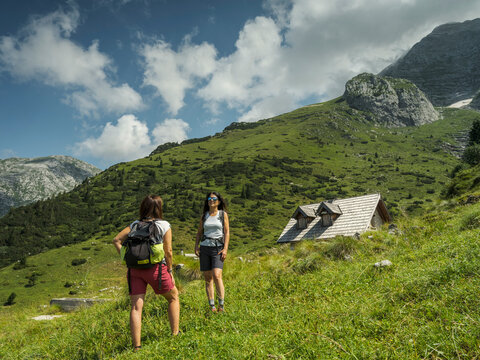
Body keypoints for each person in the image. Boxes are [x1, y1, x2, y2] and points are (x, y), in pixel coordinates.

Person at [113, 195, 179, 351]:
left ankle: (137, 346)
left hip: (134, 270)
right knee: (173, 297)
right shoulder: (164, 225)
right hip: (156, 269)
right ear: (159, 207)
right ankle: (175, 334)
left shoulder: (135, 225)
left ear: (143, 207)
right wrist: (170, 270)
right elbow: (168, 251)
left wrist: (125, 259)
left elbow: (116, 240)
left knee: (136, 307)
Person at [195, 191, 230, 312]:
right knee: (208, 277)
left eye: (214, 199)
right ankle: (212, 306)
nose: (211, 200)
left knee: (217, 275)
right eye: (209, 198)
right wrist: (196, 246)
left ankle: (221, 304)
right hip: (205, 247)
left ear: (219, 201)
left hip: (218, 248)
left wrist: (225, 248)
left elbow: (227, 232)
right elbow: (199, 232)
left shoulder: (222, 214)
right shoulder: (204, 216)